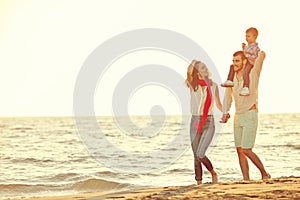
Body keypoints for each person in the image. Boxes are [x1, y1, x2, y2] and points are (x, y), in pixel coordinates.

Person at [221, 50, 270, 181]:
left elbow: (262, 56)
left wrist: (250, 49)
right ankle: (246, 179)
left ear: (244, 61)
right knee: (239, 150)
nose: (234, 63)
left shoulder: (253, 73)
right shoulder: (231, 79)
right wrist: (225, 112)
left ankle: (264, 173)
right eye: (233, 61)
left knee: (247, 149)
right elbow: (227, 98)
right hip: (237, 116)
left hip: (250, 114)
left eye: (237, 61)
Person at [186, 60, 223, 185]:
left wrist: (225, 112)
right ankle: (199, 182)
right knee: (195, 155)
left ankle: (213, 172)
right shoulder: (192, 84)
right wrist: (194, 63)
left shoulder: (214, 86)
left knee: (201, 153)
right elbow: (189, 73)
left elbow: (218, 104)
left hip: (209, 121)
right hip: (195, 121)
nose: (206, 69)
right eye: (202, 68)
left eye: (206, 67)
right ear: (197, 72)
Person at [221, 27, 260, 96]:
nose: (246, 38)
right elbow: (244, 53)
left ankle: (246, 87)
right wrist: (244, 48)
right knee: (232, 66)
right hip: (245, 61)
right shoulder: (249, 46)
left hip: (250, 63)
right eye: (246, 36)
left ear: (255, 36)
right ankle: (230, 80)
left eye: (248, 36)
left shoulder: (255, 47)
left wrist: (246, 55)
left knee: (245, 72)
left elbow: (254, 57)